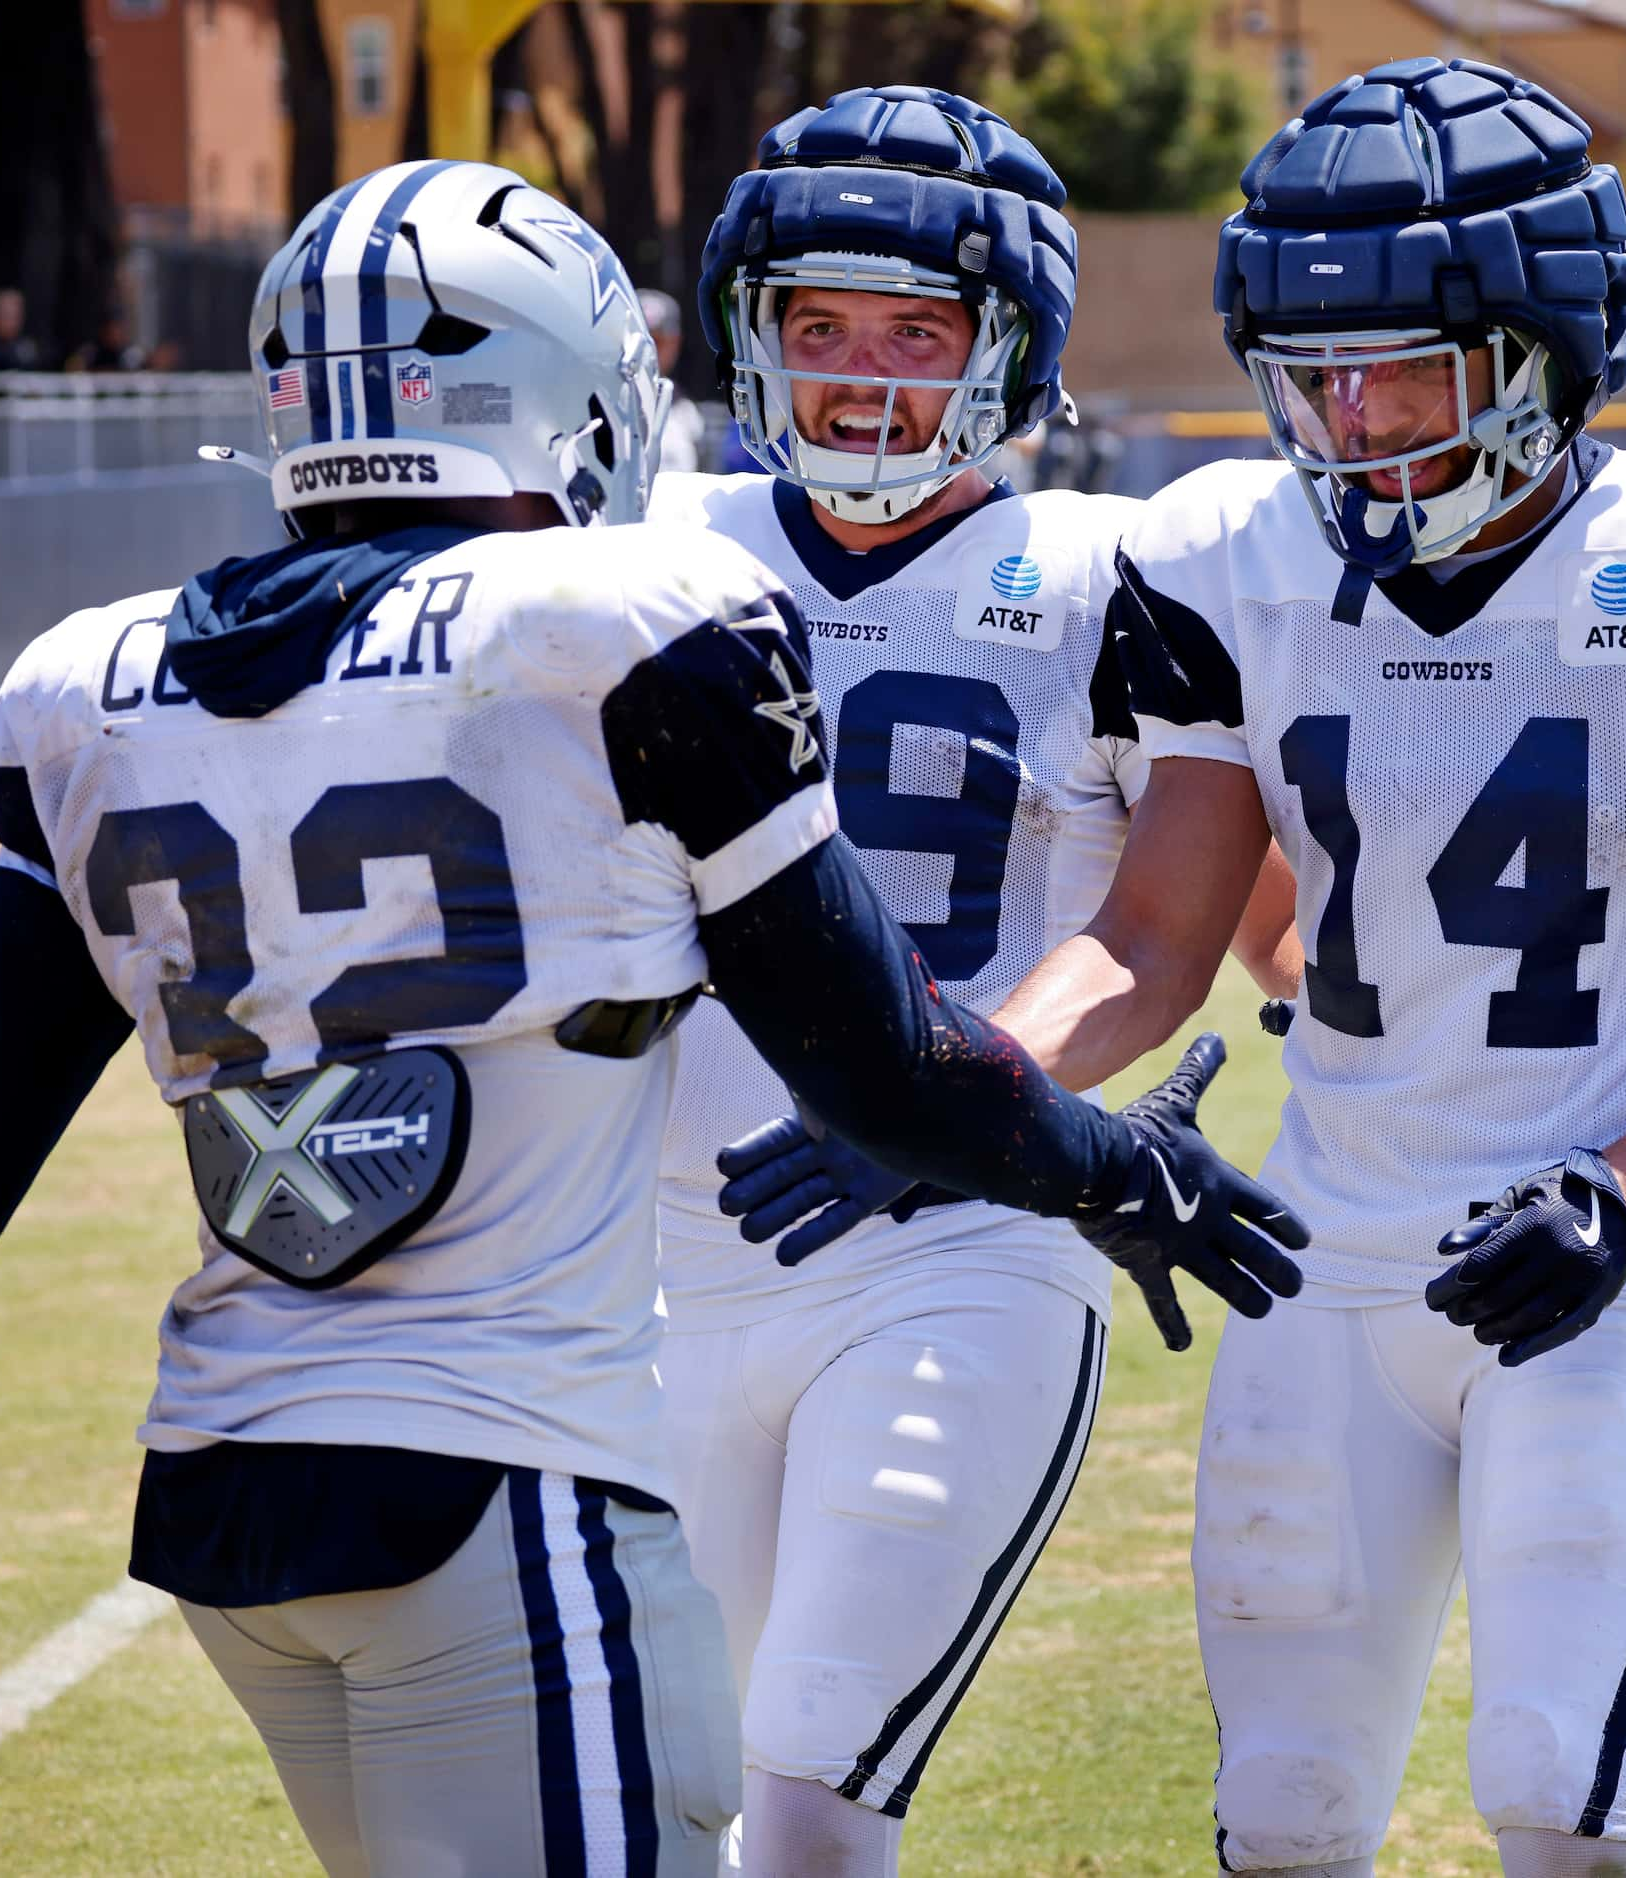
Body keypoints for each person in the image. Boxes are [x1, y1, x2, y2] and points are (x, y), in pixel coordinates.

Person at [0, 159, 1303, 1876]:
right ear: (567, 389)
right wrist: (1122, 1173)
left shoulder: (91, 679)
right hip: (506, 1486)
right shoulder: (619, 625)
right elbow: (888, 1066)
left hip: (227, 1490)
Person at [721, 59, 1626, 1877]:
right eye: (1310, 369)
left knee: (1557, 1794)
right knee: (1280, 1815)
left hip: (1592, 1255)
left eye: (1402, 366)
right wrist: (944, 1087)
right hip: (1323, 1260)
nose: (1347, 416)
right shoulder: (1223, 556)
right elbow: (1142, 945)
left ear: (1542, 342)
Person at [649, 86, 1295, 1878]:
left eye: (913, 329)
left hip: (960, 1247)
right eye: (817, 324)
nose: (859, 373)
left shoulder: (1116, 573)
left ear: (1007, 341)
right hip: (644, 1258)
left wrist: (937, 1101)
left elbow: (1187, 931)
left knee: (807, 1794)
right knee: (654, 1795)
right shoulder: (648, 548)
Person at [641, 289, 706, 472]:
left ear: (675, 343)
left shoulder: (689, 414)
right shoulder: (601, 405)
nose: (650, 352)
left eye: (658, 341)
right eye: (644, 342)